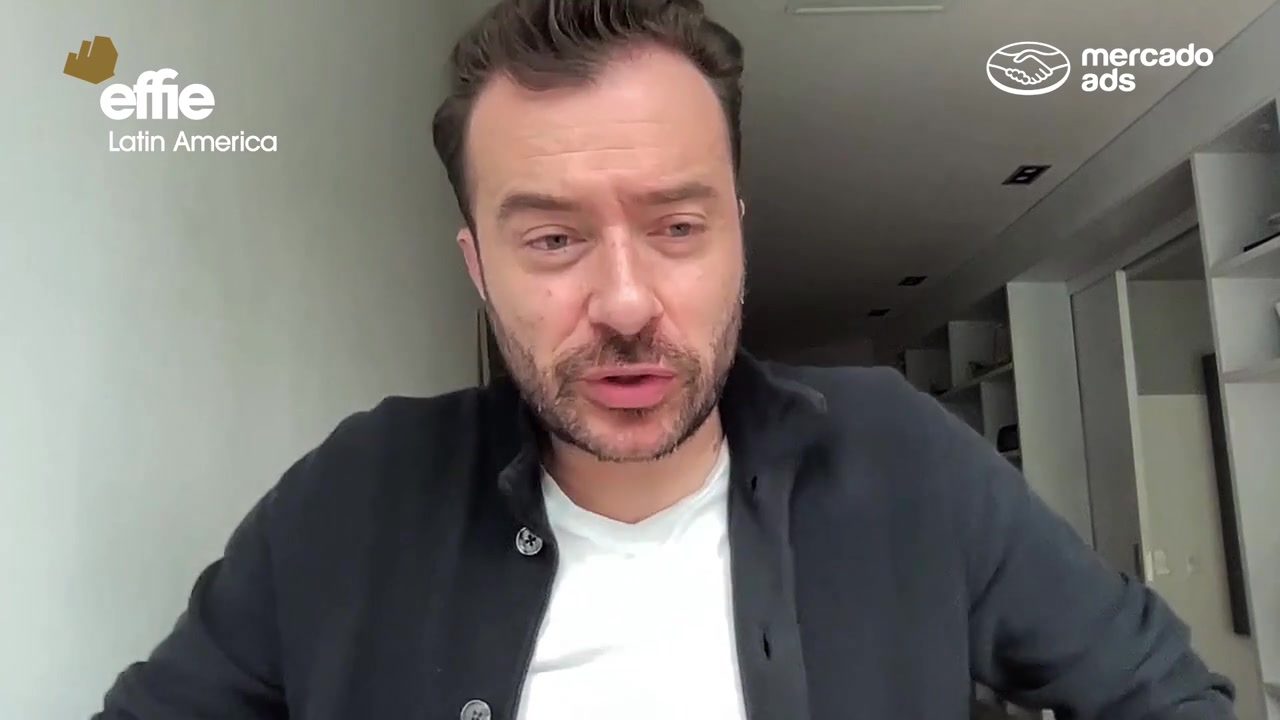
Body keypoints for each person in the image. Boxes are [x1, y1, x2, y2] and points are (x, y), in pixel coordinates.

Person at [96, 1, 1237, 718]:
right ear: (477, 265)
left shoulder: (902, 455)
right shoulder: (352, 494)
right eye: (552, 240)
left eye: (678, 228)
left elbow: (1165, 694)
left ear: (738, 235)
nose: (627, 303)